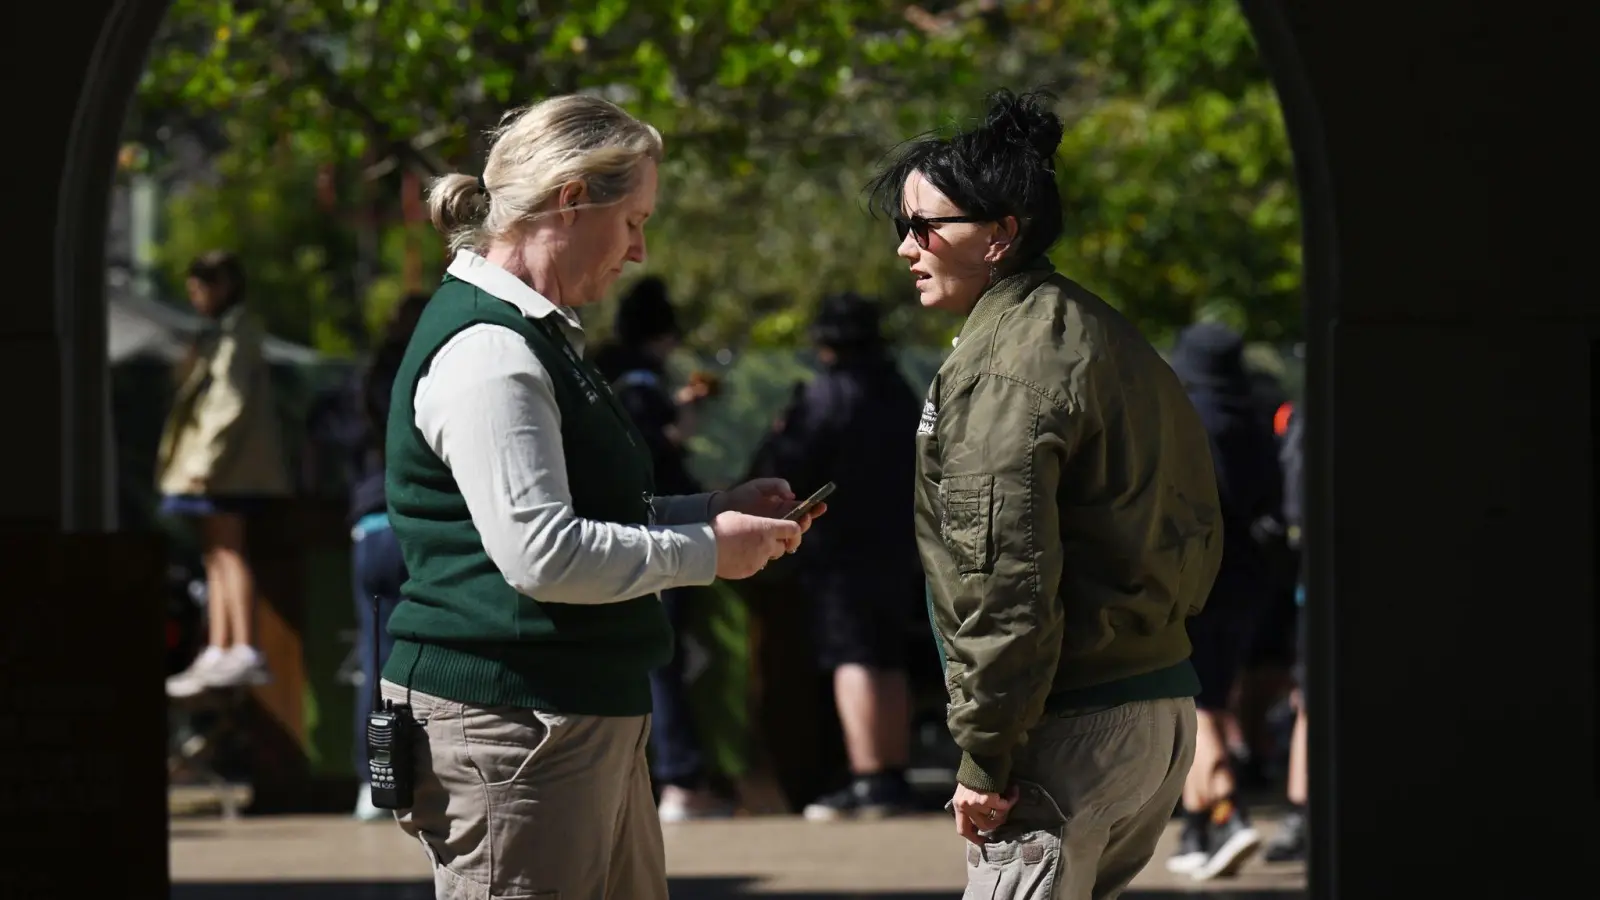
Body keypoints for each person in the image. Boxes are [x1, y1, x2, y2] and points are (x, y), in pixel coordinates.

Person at [379, 94, 818, 900]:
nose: (640, 252)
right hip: (514, 728)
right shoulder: (490, 352)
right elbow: (543, 555)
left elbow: (582, 520)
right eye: (634, 222)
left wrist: (712, 506)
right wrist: (712, 550)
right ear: (573, 201)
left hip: (560, 720)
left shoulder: (537, 337)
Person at [867, 89, 1223, 900]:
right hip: (1154, 706)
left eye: (926, 226)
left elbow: (1002, 578)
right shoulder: (1098, 329)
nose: (906, 248)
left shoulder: (1006, 366)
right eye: (902, 227)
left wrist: (986, 754)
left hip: (1070, 723)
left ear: (1000, 234)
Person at [757, 292, 926, 821]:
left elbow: (786, 462)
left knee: (853, 657)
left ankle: (868, 775)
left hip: (842, 551)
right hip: (900, 545)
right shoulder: (899, 392)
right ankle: (892, 772)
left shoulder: (826, 395)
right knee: (889, 657)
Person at [593, 276, 732, 822]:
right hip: (654, 536)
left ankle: (641, 780)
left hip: (608, 541)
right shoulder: (641, 382)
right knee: (661, 659)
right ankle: (679, 779)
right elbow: (652, 453)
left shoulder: (603, 375)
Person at [1162, 322, 1283, 880]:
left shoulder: (1185, 421)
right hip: (1250, 583)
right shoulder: (1256, 419)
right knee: (1212, 693)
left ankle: (1229, 813)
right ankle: (1199, 829)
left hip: (1195, 581)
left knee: (1192, 704)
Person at [159, 250, 292, 699]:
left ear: (223, 286)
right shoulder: (222, 334)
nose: (195, 297)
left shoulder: (237, 335)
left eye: (201, 287)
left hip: (225, 469)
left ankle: (240, 644)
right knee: (215, 553)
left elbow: (228, 404)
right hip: (219, 467)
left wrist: (203, 464)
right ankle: (221, 643)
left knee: (228, 551)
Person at [340, 292, 429, 821]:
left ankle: (374, 779)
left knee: (374, 661)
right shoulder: (432, 370)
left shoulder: (367, 381)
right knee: (430, 656)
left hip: (368, 527)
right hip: (414, 526)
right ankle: (423, 769)